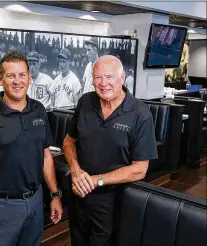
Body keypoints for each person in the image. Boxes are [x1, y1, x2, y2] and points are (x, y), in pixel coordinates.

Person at [0, 51, 63, 246]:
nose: (18, 81)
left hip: (35, 201)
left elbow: (46, 156)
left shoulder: (39, 110)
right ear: (0, 79)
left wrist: (55, 195)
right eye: (11, 75)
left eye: (22, 75)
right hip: (1, 207)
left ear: (30, 78)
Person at [63, 55, 158, 246]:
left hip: (115, 201)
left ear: (121, 78)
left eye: (109, 77)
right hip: (79, 194)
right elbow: (68, 142)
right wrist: (76, 171)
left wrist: (95, 180)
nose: (103, 83)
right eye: (97, 77)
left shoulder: (140, 114)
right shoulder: (85, 102)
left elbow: (140, 168)